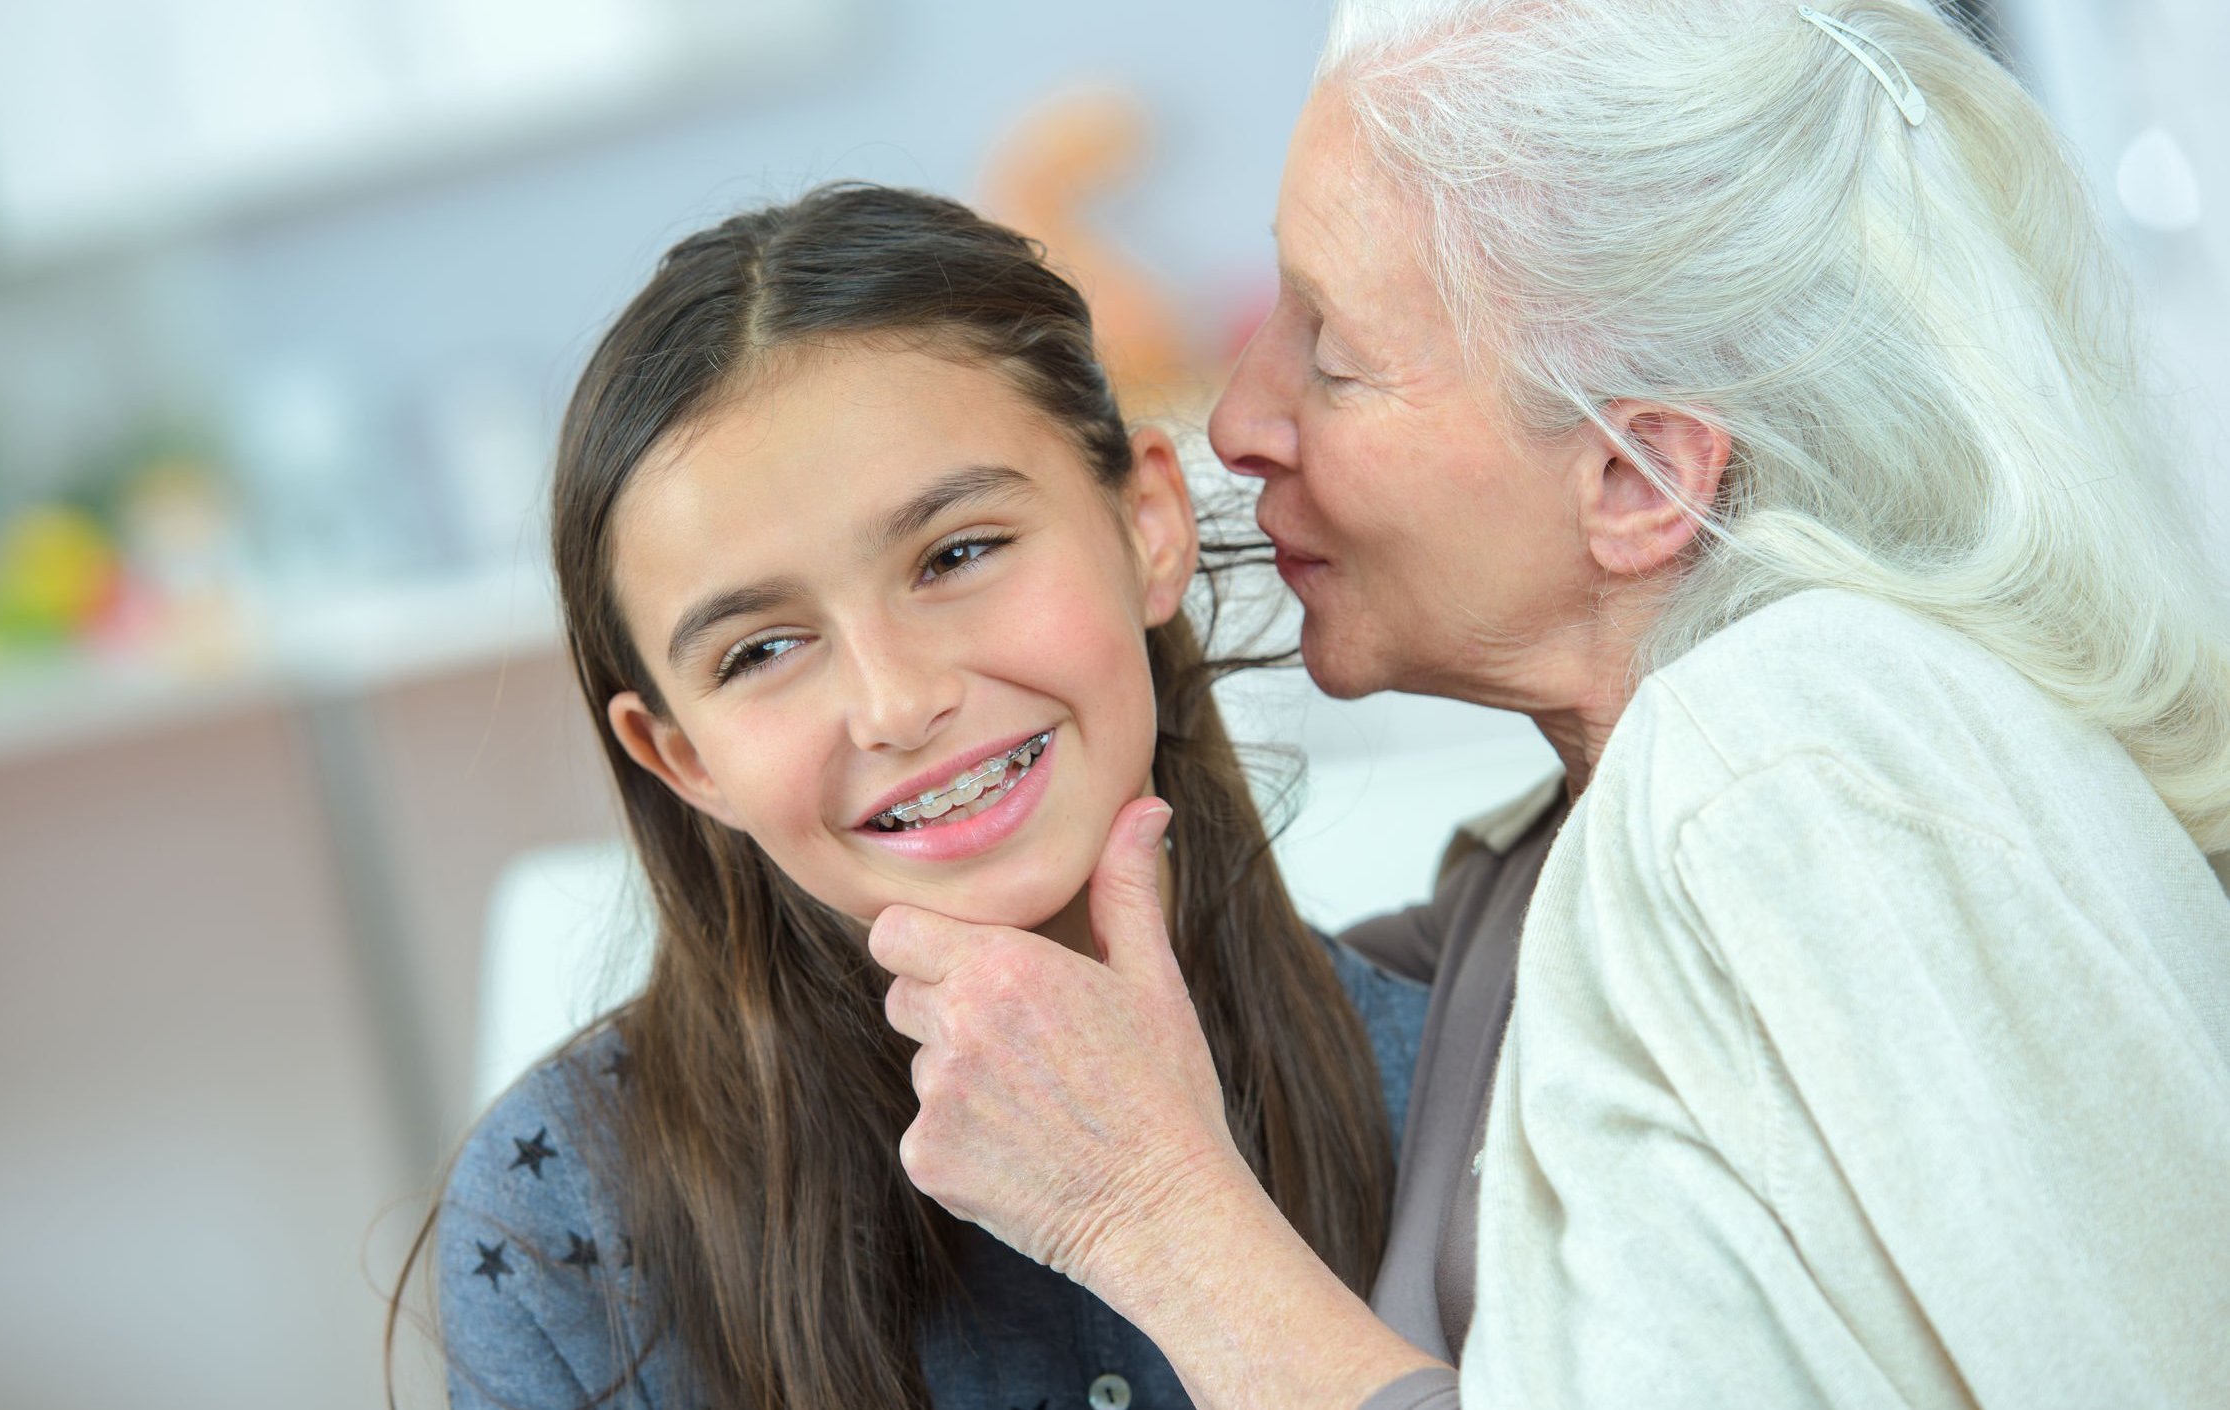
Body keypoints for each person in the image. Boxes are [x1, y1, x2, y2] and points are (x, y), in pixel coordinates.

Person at [868, 2, 2230, 1407]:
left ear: (1636, 479)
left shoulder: (1789, 752)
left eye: (1330, 352)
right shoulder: (1549, 876)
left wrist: (1148, 1215)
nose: (1235, 420)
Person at [393, 183, 1432, 1410]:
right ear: (680, 760)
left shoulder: (1458, 1074)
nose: (893, 701)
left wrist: (1159, 1216)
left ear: (1147, 522)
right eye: (760, 651)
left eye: (956, 554)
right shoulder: (562, 1218)